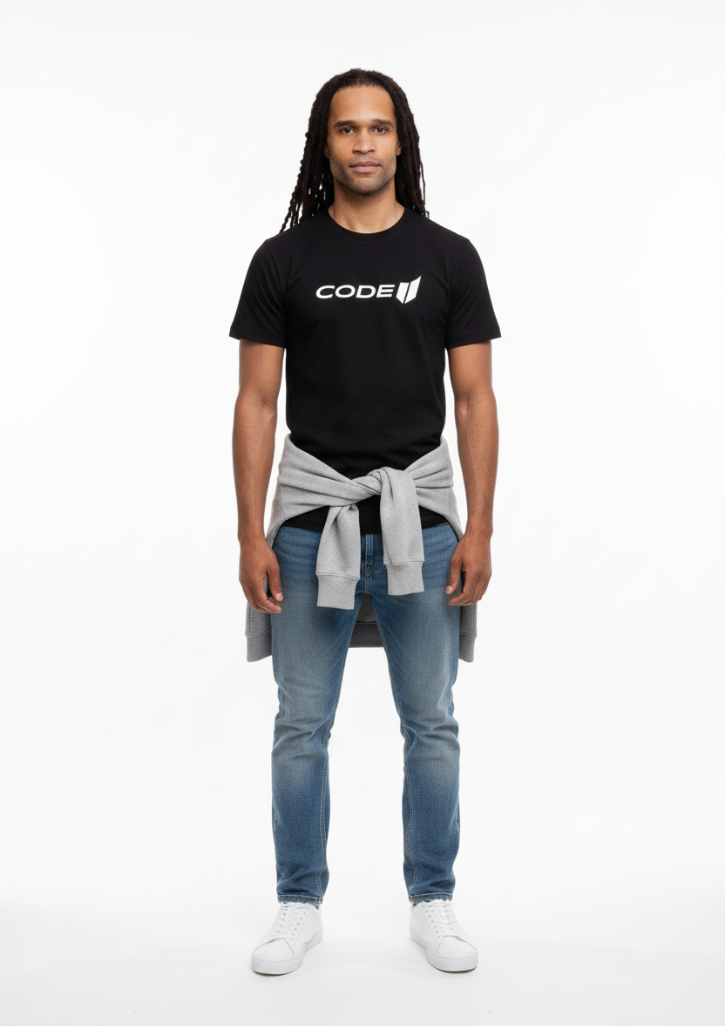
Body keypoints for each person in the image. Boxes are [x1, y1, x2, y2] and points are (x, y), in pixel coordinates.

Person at [229, 67, 501, 975]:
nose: (363, 144)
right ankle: (297, 902)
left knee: (431, 721)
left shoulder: (449, 256)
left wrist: (479, 528)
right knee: (301, 723)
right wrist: (251, 533)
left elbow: (474, 398)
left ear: (400, 142)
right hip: (311, 522)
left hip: (422, 519)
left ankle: (433, 898)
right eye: (346, 129)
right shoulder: (283, 260)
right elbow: (256, 402)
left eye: (378, 128)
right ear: (325, 145)